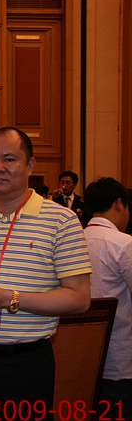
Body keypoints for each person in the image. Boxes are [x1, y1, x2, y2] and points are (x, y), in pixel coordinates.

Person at [0, 127, 92, 421]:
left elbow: (79, 299)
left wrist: (8, 298)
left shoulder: (62, 221)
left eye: (9, 159)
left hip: (25, 364)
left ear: (30, 165)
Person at [83, 177, 132, 419]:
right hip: (120, 359)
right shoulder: (123, 244)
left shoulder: (74, 240)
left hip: (80, 358)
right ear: (119, 204)